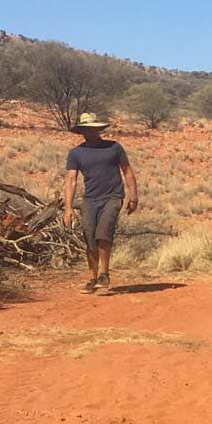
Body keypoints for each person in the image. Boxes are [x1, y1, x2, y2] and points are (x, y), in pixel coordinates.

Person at [62, 112, 138, 293]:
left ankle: (104, 274)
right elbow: (71, 180)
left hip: (112, 196)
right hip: (90, 199)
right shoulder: (76, 153)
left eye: (93, 128)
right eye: (86, 129)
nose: (90, 132)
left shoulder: (113, 148)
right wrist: (68, 207)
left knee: (103, 233)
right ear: (82, 131)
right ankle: (93, 277)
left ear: (98, 129)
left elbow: (127, 171)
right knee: (89, 236)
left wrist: (133, 196)